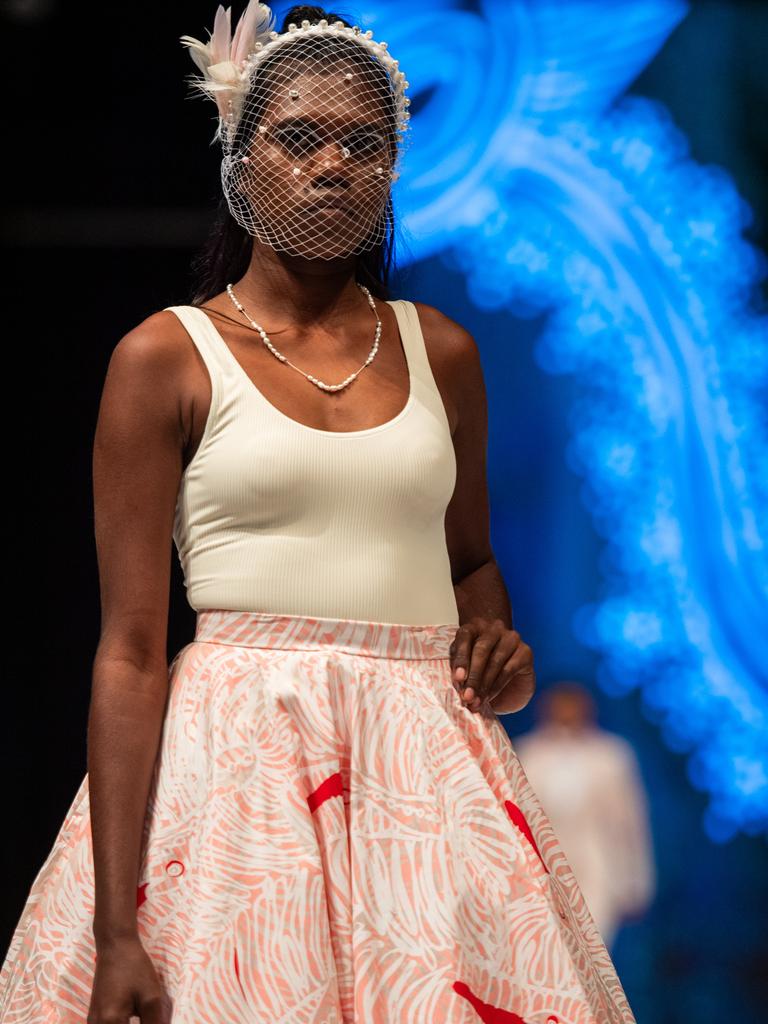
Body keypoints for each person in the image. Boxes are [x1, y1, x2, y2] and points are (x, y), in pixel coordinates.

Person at [0, 4, 637, 1022]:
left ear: (393, 170)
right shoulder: (164, 358)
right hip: (236, 770)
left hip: (422, 773)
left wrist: (495, 636)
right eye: (300, 139)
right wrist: (116, 929)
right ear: (239, 156)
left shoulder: (444, 352)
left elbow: (471, 562)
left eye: (363, 143)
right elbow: (127, 649)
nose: (332, 165)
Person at [513, 682, 656, 951]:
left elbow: (630, 822)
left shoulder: (612, 755)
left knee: (592, 952)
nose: (567, 711)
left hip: (597, 867)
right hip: (539, 870)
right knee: (546, 952)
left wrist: (637, 883)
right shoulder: (527, 752)